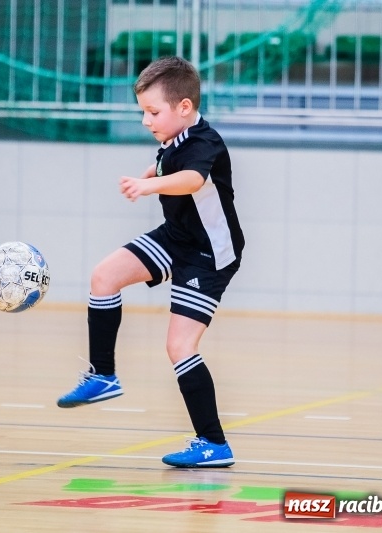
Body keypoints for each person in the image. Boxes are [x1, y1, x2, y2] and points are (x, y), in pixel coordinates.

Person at [57, 56, 245, 468]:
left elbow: (192, 179)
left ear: (184, 107)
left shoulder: (205, 142)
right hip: (176, 237)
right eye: (143, 111)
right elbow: (168, 164)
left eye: (153, 112)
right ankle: (102, 375)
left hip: (208, 255)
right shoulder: (174, 138)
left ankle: (213, 443)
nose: (146, 121)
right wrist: (149, 173)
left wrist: (149, 186)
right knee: (104, 277)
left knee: (179, 347)